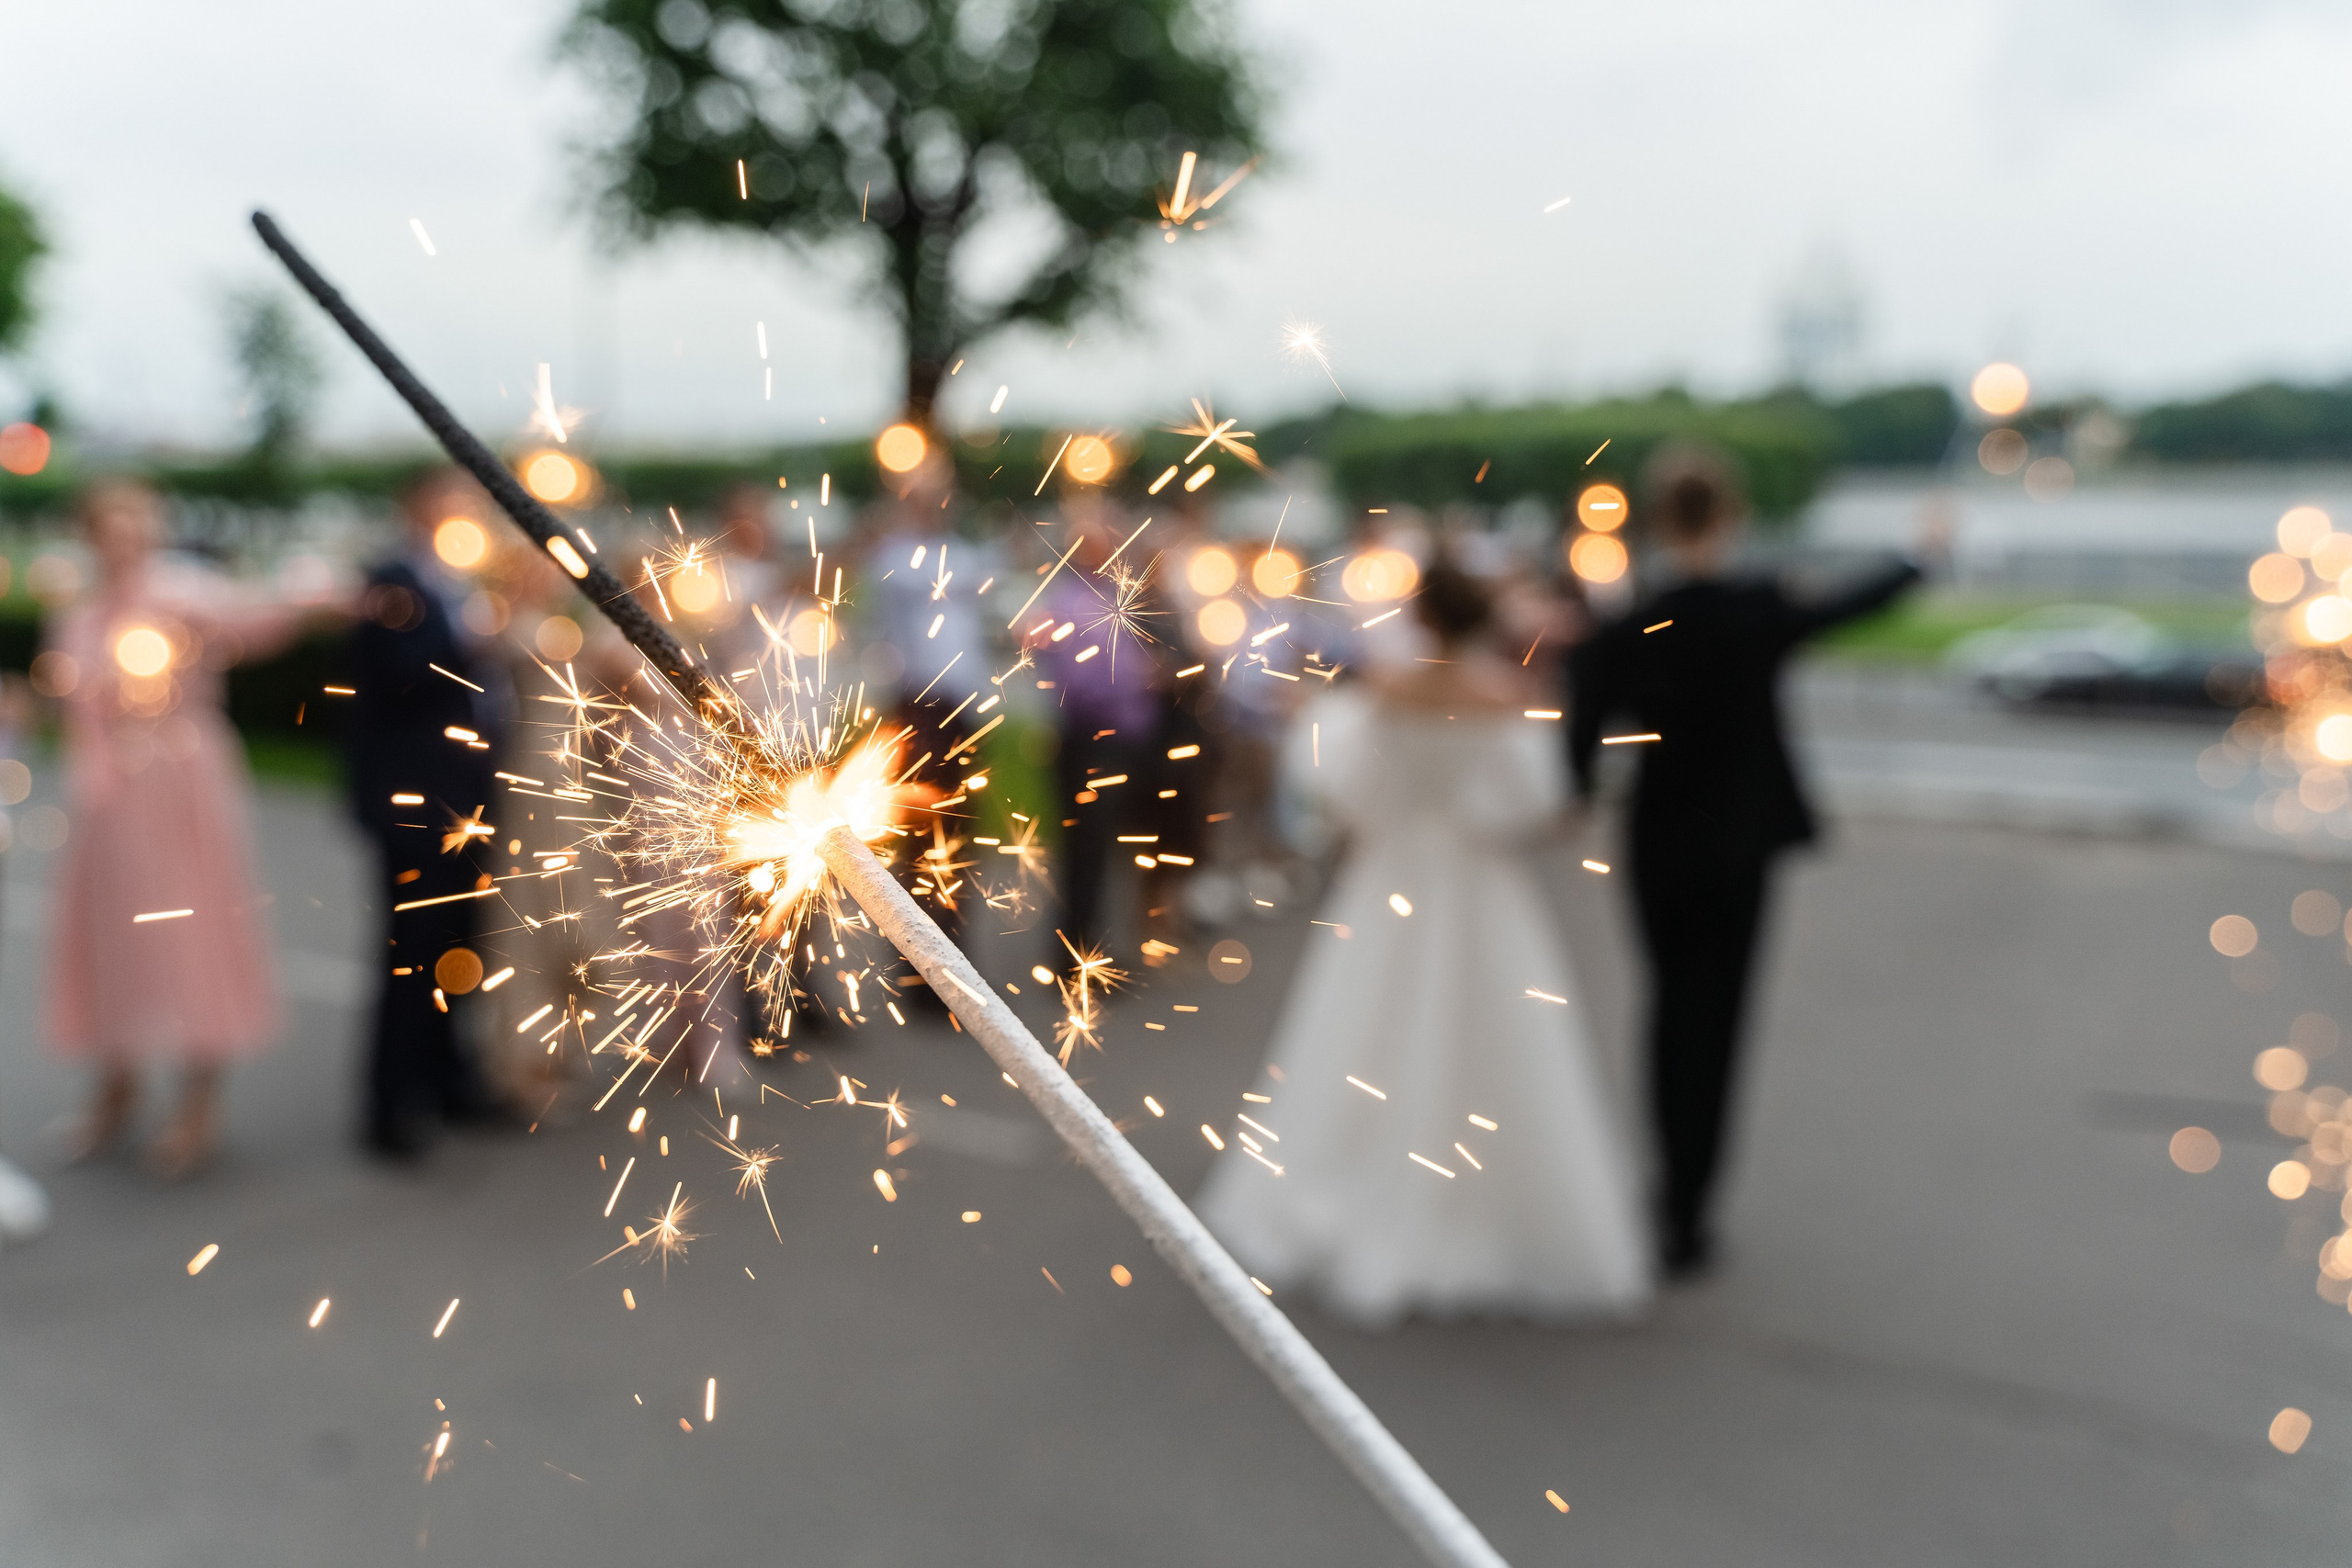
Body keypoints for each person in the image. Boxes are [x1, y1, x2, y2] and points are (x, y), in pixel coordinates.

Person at [1196, 561, 1650, 1326]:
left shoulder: (1383, 690)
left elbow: (1335, 783)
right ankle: (1484, 1207)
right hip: (1480, 888)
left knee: (1360, 1040)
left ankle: (1356, 1184)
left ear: (1422, 613)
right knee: (1499, 1046)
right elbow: (1536, 805)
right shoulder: (1505, 697)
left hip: (1389, 882)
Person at [1568, 446, 1934, 1277]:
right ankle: (1691, 1212)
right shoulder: (1758, 609)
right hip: (1738, 843)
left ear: (1660, 520)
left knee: (1666, 1014)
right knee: (1720, 1022)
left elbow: (1580, 717)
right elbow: (1855, 601)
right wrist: (1920, 555)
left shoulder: (1633, 621)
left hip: (1657, 841)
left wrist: (1576, 785)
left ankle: (1665, 1192)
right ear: (1730, 517)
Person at [46, 479, 334, 1176]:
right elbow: (78, 711)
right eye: (113, 525)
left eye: (139, 523)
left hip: (187, 778)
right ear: (92, 535)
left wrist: (314, 594)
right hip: (118, 796)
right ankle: (116, 1085)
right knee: (114, 934)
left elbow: (260, 624)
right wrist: (94, 777)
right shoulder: (81, 616)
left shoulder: (185, 591)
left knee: (194, 928)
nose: (128, 538)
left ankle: (197, 1103)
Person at [347, 469, 508, 1159]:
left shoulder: (464, 580)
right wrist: (475, 636)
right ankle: (392, 1103)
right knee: (412, 949)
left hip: (468, 791)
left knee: (461, 941)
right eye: (448, 500)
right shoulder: (392, 579)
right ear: (415, 506)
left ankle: (450, 1077)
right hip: (415, 798)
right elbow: (405, 674)